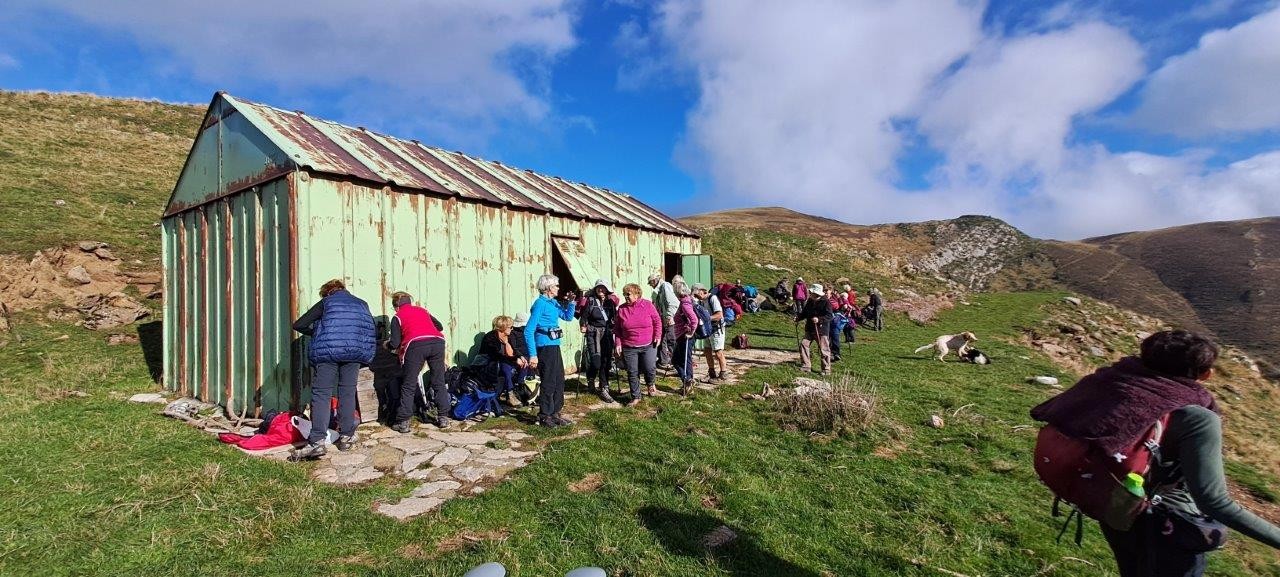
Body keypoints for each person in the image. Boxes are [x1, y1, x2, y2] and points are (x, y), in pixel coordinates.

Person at [1031, 330, 1280, 576]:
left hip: (1117, 503)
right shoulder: (1196, 417)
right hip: (1169, 524)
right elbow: (1214, 501)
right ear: (1206, 374)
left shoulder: (1114, 382)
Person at [290, 279, 376, 459]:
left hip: (328, 351)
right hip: (354, 352)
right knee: (347, 392)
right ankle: (346, 437)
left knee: (322, 394)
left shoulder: (327, 302)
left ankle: (317, 442)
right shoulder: (362, 304)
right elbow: (369, 330)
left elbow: (299, 324)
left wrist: (317, 332)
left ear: (327, 292)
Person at [386, 291, 450, 432]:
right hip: (437, 342)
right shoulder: (422, 310)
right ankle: (443, 417)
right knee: (438, 380)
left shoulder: (397, 317)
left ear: (396, 306)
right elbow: (439, 326)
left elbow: (395, 343)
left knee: (409, 383)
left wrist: (387, 345)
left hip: (415, 345)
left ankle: (403, 421)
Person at [524, 274, 577, 427]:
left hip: (554, 345)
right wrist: (533, 354)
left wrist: (571, 303)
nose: (558, 288)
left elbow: (567, 317)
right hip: (544, 346)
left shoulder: (553, 303)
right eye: (556, 286)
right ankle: (545, 414)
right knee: (548, 380)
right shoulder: (540, 304)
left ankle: (555, 412)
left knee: (559, 379)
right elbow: (529, 330)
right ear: (548, 288)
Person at [612, 282, 662, 404]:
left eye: (628, 294)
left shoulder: (648, 305)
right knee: (632, 371)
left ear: (637, 294)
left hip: (648, 344)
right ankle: (636, 396)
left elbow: (657, 321)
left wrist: (657, 335)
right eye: (624, 295)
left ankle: (650, 384)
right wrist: (618, 343)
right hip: (629, 346)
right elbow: (617, 328)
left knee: (649, 368)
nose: (626, 297)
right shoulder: (622, 309)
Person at [578, 279, 620, 402]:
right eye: (598, 288)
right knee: (596, 362)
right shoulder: (590, 301)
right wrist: (583, 325)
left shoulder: (610, 302)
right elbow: (584, 316)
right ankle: (591, 378)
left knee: (606, 362)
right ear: (595, 289)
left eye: (603, 288)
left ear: (607, 290)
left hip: (607, 333)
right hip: (593, 333)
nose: (601, 290)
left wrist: (615, 326)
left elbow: (614, 317)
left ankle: (604, 387)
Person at [480, 315, 526, 404]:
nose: (512, 329)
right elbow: (495, 355)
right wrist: (514, 359)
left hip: (504, 360)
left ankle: (520, 389)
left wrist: (519, 356)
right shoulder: (491, 337)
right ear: (503, 327)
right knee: (506, 366)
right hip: (489, 363)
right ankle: (510, 393)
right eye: (510, 327)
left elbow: (514, 350)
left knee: (524, 363)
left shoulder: (509, 336)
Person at [795, 283, 833, 375]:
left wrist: (819, 319)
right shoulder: (810, 301)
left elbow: (830, 316)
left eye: (811, 292)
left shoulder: (826, 302)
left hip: (821, 329)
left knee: (824, 349)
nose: (809, 293)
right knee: (804, 344)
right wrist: (798, 318)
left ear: (816, 293)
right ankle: (806, 365)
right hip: (810, 328)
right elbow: (805, 312)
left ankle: (826, 369)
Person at [693, 283, 728, 382]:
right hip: (708, 329)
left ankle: (723, 375)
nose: (696, 297)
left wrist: (707, 318)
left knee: (718, 352)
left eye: (696, 295)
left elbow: (719, 315)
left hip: (717, 328)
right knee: (707, 350)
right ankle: (711, 373)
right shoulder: (702, 301)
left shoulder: (713, 299)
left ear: (701, 291)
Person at [671, 281, 699, 396]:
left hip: (685, 336)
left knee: (681, 360)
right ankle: (687, 382)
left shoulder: (685, 303)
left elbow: (694, 319)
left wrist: (691, 332)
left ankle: (688, 381)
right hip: (682, 335)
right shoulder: (688, 300)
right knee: (680, 360)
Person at [649, 273, 679, 370]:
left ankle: (677, 362)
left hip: (670, 319)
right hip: (664, 319)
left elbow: (673, 302)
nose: (650, 285)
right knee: (662, 340)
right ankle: (664, 361)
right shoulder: (660, 289)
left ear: (654, 281)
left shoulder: (665, 286)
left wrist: (670, 316)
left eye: (650, 283)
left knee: (671, 340)